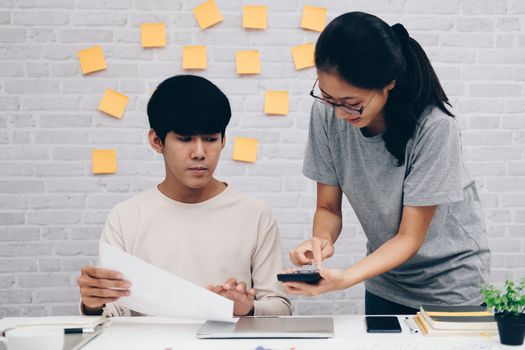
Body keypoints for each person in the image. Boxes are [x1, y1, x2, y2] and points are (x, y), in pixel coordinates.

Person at [284, 12, 490, 315]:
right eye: (329, 98)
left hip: (450, 287)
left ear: (389, 83)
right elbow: (327, 208)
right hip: (386, 282)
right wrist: (320, 242)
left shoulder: (434, 127)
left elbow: (410, 238)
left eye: (352, 103)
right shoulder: (327, 113)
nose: (339, 113)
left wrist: (344, 279)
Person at [78, 75, 291, 317]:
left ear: (223, 141)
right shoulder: (126, 217)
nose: (200, 153)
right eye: (185, 139)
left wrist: (247, 309)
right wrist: (93, 304)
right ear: (157, 141)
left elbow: (280, 307)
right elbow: (111, 312)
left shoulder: (255, 214)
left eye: (210, 139)